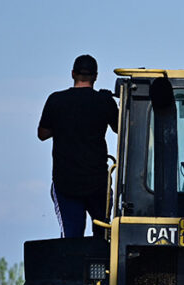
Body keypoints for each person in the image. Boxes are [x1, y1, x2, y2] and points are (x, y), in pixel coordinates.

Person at [38, 54, 119, 237]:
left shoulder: (56, 100)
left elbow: (42, 134)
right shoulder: (104, 102)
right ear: (96, 76)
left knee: (71, 239)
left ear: (73, 74)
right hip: (98, 182)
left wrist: (63, 125)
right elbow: (119, 128)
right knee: (103, 236)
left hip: (66, 183)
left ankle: (73, 266)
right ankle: (103, 265)